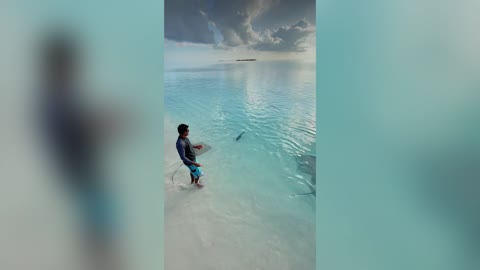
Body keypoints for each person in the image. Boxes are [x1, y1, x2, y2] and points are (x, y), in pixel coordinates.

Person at [39, 32, 123, 270]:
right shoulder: (58, 100)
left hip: (78, 173)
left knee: (94, 226)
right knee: (100, 230)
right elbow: (81, 131)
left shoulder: (56, 98)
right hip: (83, 174)